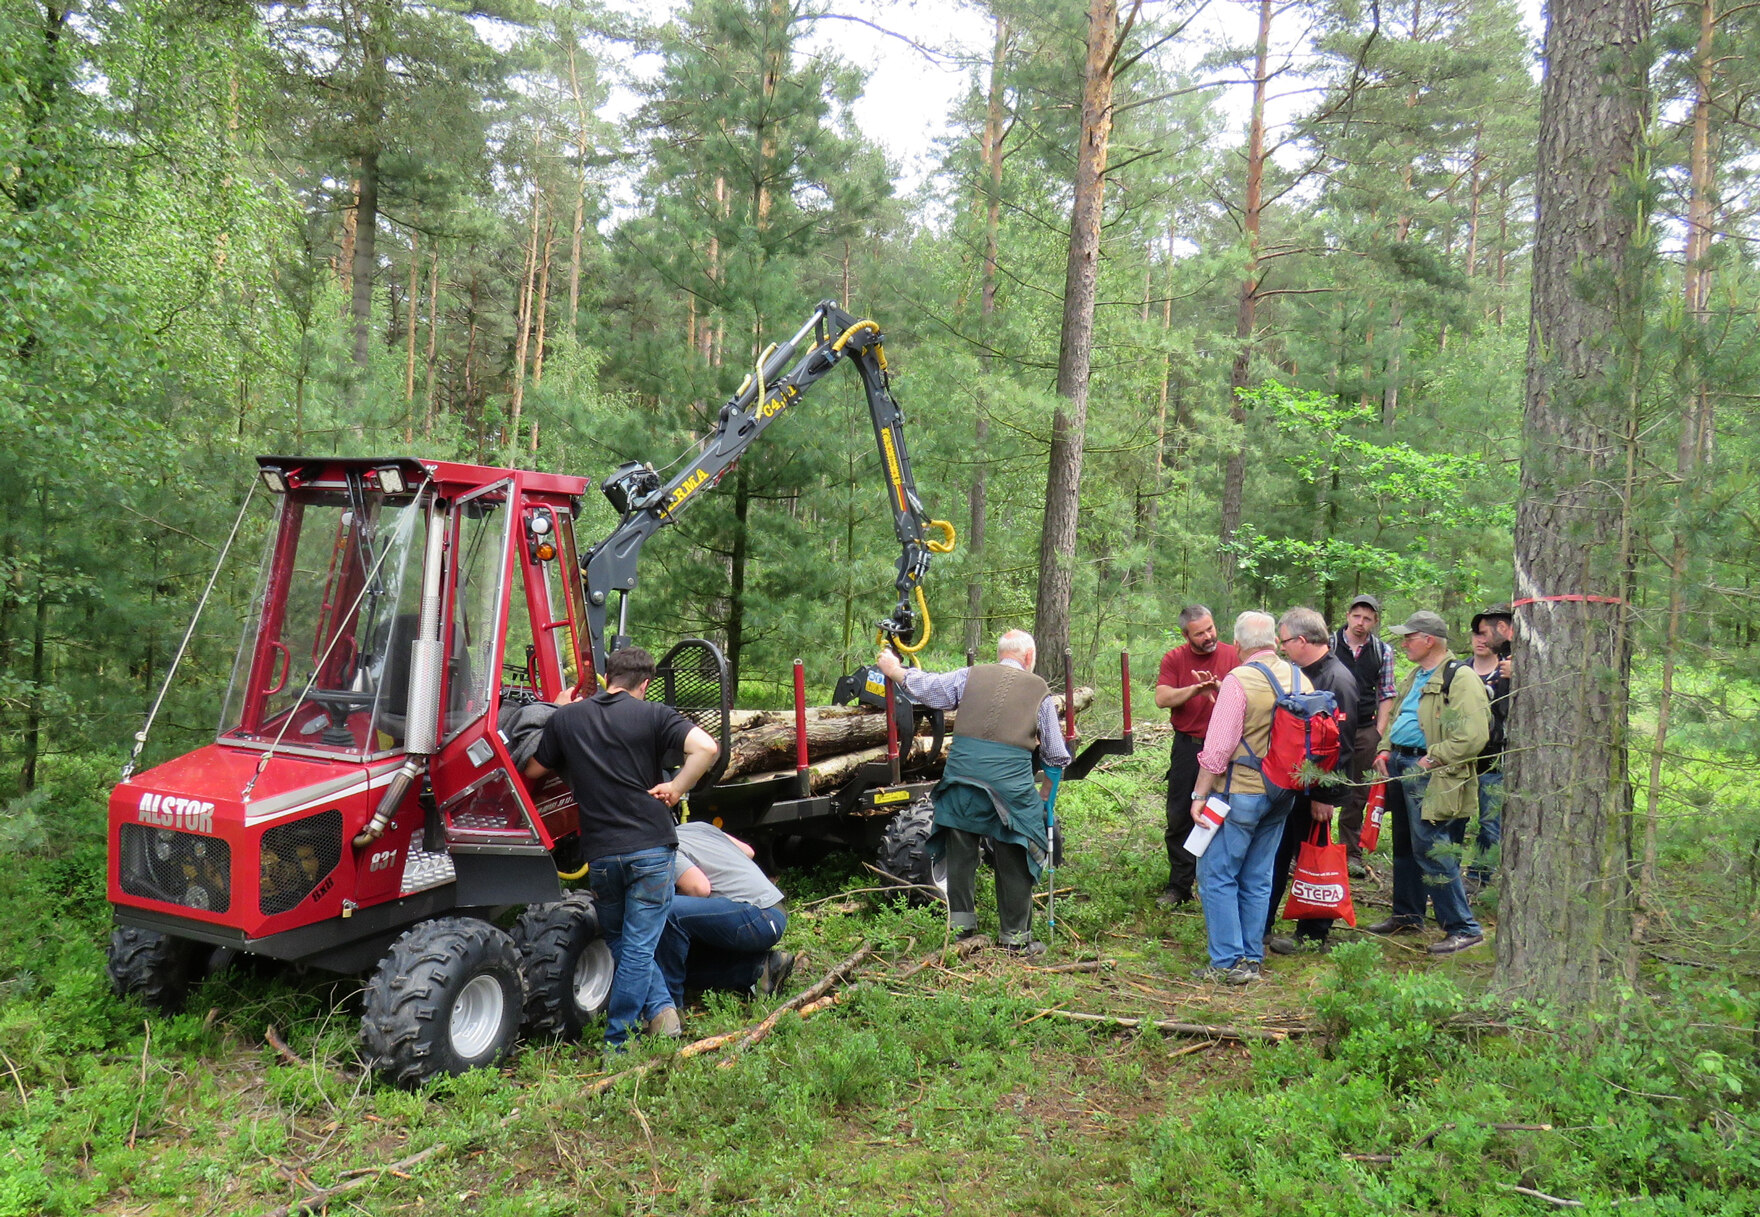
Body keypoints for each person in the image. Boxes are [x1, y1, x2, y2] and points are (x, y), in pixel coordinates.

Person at [523, 646, 720, 1046]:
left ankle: (663, 1011)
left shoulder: (569, 719)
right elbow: (708, 748)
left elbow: (533, 769)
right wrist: (676, 787)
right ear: (644, 683)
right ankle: (619, 1041)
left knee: (621, 941)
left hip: (601, 853)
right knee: (638, 948)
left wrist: (554, 713)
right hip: (650, 847)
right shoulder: (654, 714)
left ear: (609, 676)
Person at [875, 630, 1072, 955]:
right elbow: (1054, 754)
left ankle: (964, 934)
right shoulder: (1038, 689)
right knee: (1016, 848)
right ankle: (1015, 939)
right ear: (1029, 657)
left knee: (961, 853)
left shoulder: (971, 676)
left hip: (960, 780)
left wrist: (895, 671)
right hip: (1009, 789)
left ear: (1001, 655)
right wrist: (1044, 801)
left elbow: (930, 689)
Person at [1365, 612, 1492, 954]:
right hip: (1403, 765)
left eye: (1409, 637)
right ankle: (1408, 914)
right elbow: (1396, 715)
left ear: (1429, 640)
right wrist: (1385, 749)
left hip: (1433, 772)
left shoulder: (1460, 677)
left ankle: (1464, 927)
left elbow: (1474, 734)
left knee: (1433, 847)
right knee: (1406, 845)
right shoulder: (1416, 675)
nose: (1403, 642)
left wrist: (1432, 759)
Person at [1188, 611, 1301, 984]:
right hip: (1284, 791)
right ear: (1274, 641)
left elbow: (1217, 750)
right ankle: (1251, 957)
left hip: (1241, 791)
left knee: (1217, 874)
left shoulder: (1239, 680)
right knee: (1259, 875)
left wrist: (1199, 795)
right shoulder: (1299, 676)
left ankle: (1226, 963)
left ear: (1237, 645)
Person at [1263, 607, 1359, 955]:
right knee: (1278, 854)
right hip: (1294, 786)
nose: (1282, 648)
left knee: (1315, 858)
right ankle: (1263, 924)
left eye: (1285, 641)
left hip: (1315, 791)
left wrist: (1325, 795)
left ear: (1302, 640)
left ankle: (1314, 934)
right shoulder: (1301, 673)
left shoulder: (1337, 679)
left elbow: (1342, 745)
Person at [1154, 605, 1242, 907]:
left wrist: (1222, 688)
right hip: (1189, 748)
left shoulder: (1233, 655)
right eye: (1200, 633)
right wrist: (1195, 690)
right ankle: (1179, 886)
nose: (1208, 636)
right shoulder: (1175, 658)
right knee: (1179, 815)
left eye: (1210, 628)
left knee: (1227, 814)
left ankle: (1222, 885)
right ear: (1186, 635)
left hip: (1231, 749)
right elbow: (1162, 698)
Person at [656, 821, 794, 1008]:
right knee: (679, 953)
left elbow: (699, 888)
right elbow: (748, 851)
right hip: (774, 909)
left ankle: (668, 1008)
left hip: (755, 917)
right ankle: (760, 968)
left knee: (667, 912)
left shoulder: (664, 846)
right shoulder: (699, 826)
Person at [1329, 594, 1397, 877]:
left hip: (1365, 728)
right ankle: (1313, 848)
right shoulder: (1329, 644)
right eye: (1357, 616)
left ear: (1375, 621)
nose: (1361, 623)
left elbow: (1387, 693)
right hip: (1330, 727)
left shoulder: (1383, 651)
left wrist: (1379, 731)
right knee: (1319, 785)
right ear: (1348, 616)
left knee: (1358, 791)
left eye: (1367, 618)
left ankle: (1350, 852)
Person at [1466, 607, 1512, 888]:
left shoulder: (1508, 668)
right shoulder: (1459, 670)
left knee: (1489, 824)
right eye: (1476, 633)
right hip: (1460, 759)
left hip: (1493, 759)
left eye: (1485, 634)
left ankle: (1478, 879)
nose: (1480, 639)